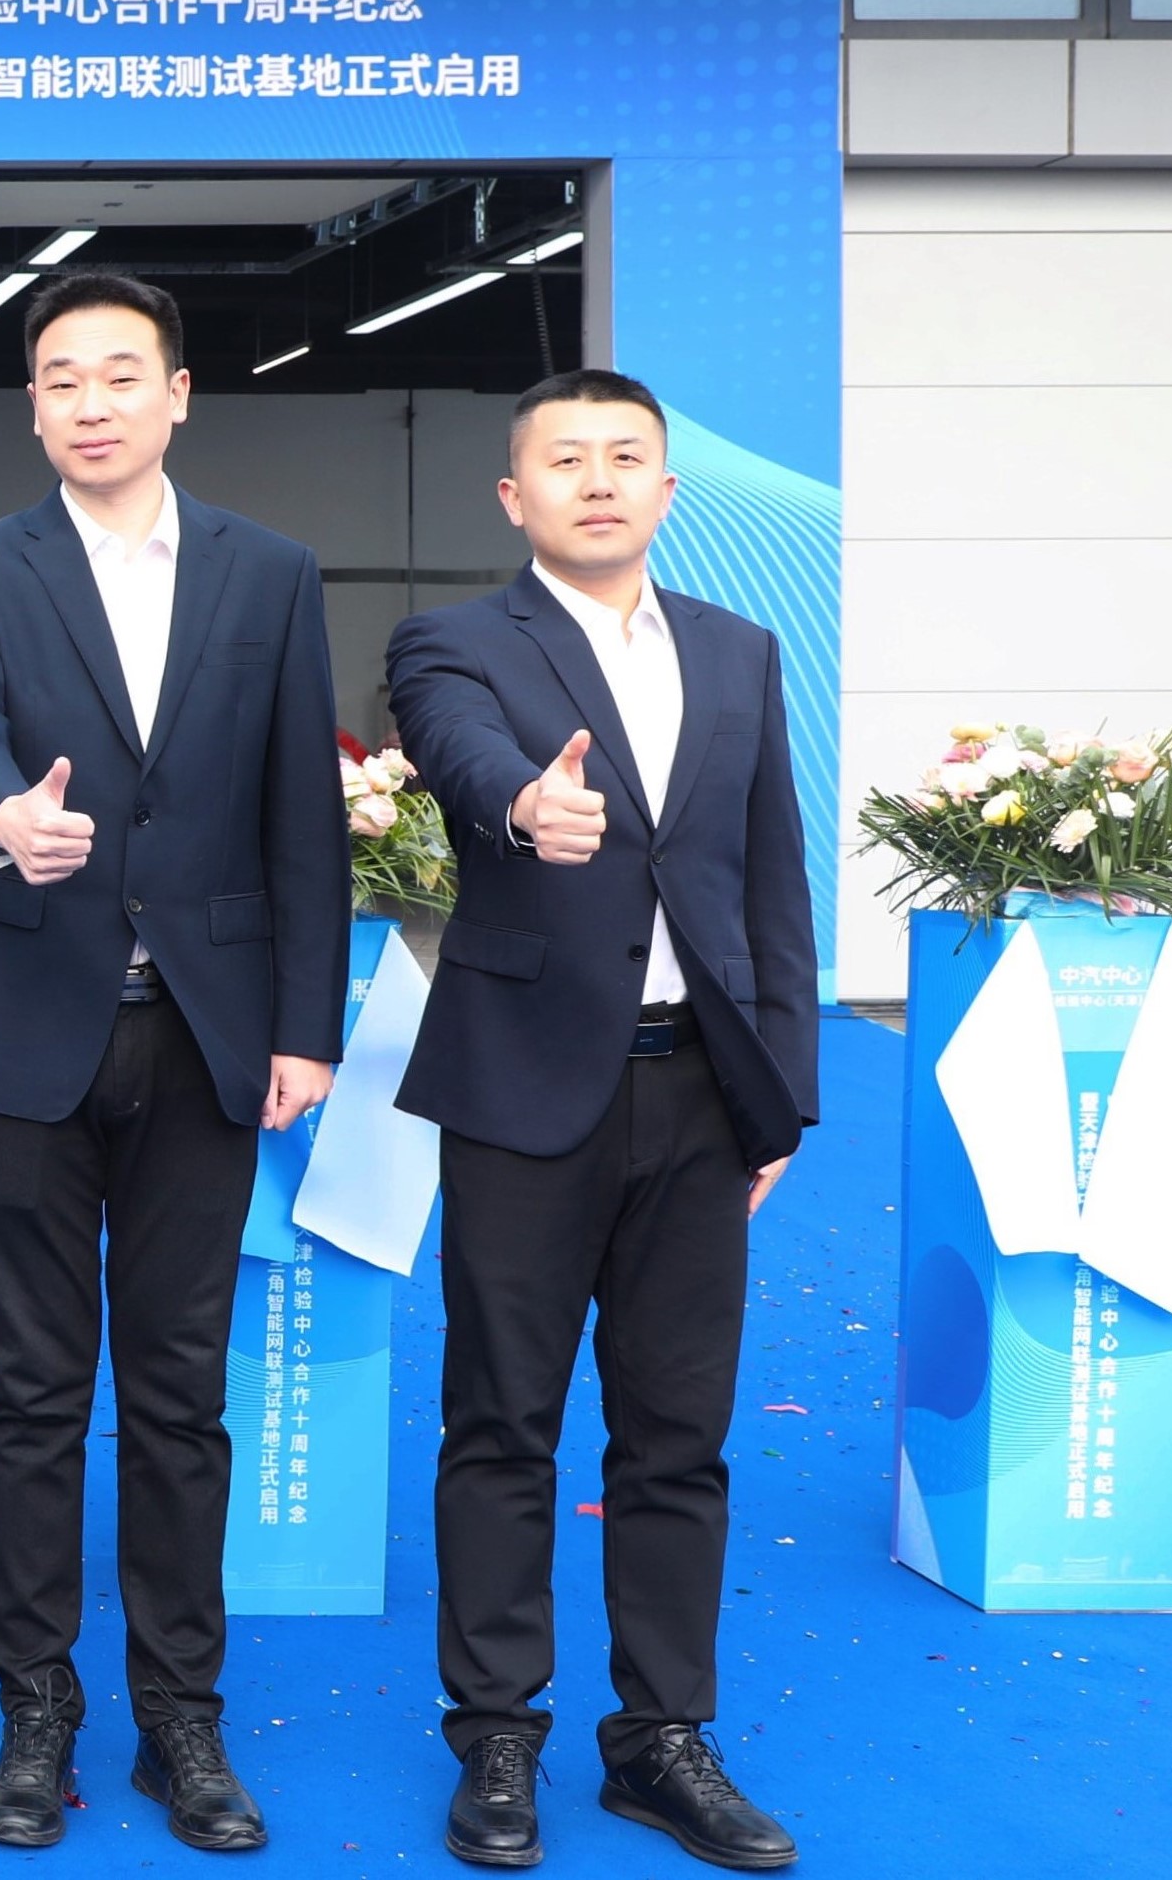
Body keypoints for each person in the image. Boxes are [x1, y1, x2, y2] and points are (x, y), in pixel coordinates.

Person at [0, 273, 349, 1851]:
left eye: (116, 373)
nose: (88, 402)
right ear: (31, 408)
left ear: (176, 394)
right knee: (32, 1392)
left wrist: (305, 1022)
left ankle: (180, 1714)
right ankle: (35, 1705)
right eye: (58, 378)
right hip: (24, 1023)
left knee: (179, 1392)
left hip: (207, 1029)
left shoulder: (269, 572)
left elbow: (301, 809)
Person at [384, 369, 817, 1872]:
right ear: (515, 497)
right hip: (523, 1087)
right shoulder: (452, 640)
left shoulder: (740, 650)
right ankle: (496, 1735)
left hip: (699, 1090)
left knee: (678, 1434)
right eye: (564, 459)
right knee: (501, 1420)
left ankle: (660, 1741)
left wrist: (779, 1094)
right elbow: (456, 749)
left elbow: (769, 878)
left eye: (626, 456)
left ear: (667, 491)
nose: (598, 479)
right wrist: (523, 804)